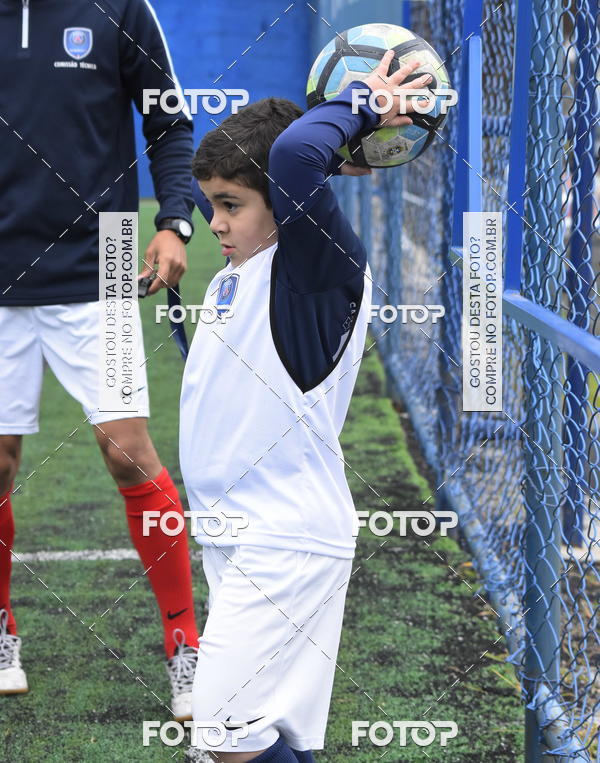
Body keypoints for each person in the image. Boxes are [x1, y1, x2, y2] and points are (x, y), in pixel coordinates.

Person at [179, 51, 432, 761]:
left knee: (224, 734)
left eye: (233, 205)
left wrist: (362, 106)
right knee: (270, 733)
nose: (219, 223)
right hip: (242, 532)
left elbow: (293, 155)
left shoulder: (318, 267)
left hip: (284, 537)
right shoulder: (243, 271)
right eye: (211, 206)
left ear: (285, 204)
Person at [0, 0, 200, 717]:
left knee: (129, 453)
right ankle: (2, 626)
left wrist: (175, 222)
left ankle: (187, 643)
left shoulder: (118, 8)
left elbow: (171, 126)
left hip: (108, 260)